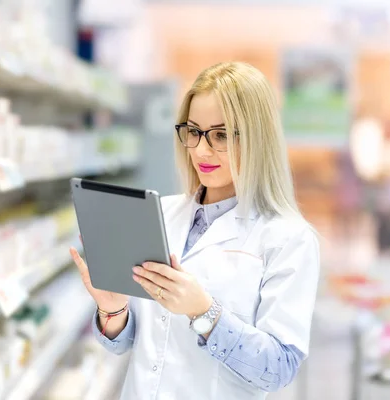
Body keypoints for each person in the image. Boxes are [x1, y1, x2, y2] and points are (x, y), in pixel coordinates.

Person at [70, 62, 320, 399]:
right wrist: (113, 309)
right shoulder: (158, 212)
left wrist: (204, 312)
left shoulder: (288, 238)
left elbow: (279, 368)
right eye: (193, 131)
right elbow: (135, 343)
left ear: (257, 138)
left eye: (220, 135)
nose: (201, 150)